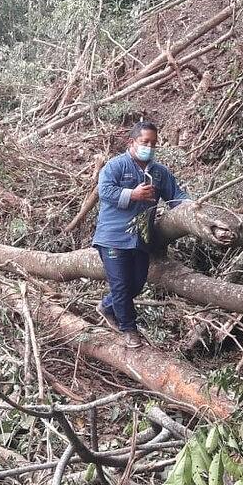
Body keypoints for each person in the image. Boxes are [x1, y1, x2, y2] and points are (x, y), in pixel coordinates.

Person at [92, 121, 189, 348]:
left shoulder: (159, 172)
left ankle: (107, 306)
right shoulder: (115, 166)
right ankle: (129, 330)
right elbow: (105, 191)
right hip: (113, 237)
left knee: (137, 283)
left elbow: (176, 195)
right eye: (145, 142)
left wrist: (192, 208)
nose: (149, 147)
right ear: (132, 142)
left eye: (153, 143)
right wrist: (132, 194)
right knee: (121, 285)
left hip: (141, 238)